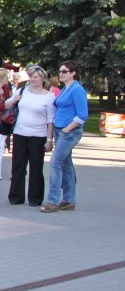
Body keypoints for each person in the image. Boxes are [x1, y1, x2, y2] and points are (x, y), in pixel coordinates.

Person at [42, 60, 89, 213]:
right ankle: (69, 200)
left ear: (73, 73)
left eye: (65, 71)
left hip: (68, 132)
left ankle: (52, 201)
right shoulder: (66, 89)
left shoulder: (77, 89)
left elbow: (82, 114)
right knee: (66, 165)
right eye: (60, 71)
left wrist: (67, 129)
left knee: (55, 163)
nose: (61, 74)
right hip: (60, 131)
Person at [6, 64, 55, 207]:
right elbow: (7, 105)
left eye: (36, 77)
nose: (33, 79)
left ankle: (35, 198)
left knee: (36, 167)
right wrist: (14, 99)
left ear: (42, 79)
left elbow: (50, 120)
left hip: (38, 136)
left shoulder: (49, 97)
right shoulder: (22, 91)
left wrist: (49, 139)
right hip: (20, 133)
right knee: (18, 166)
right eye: (31, 77)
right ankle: (16, 196)